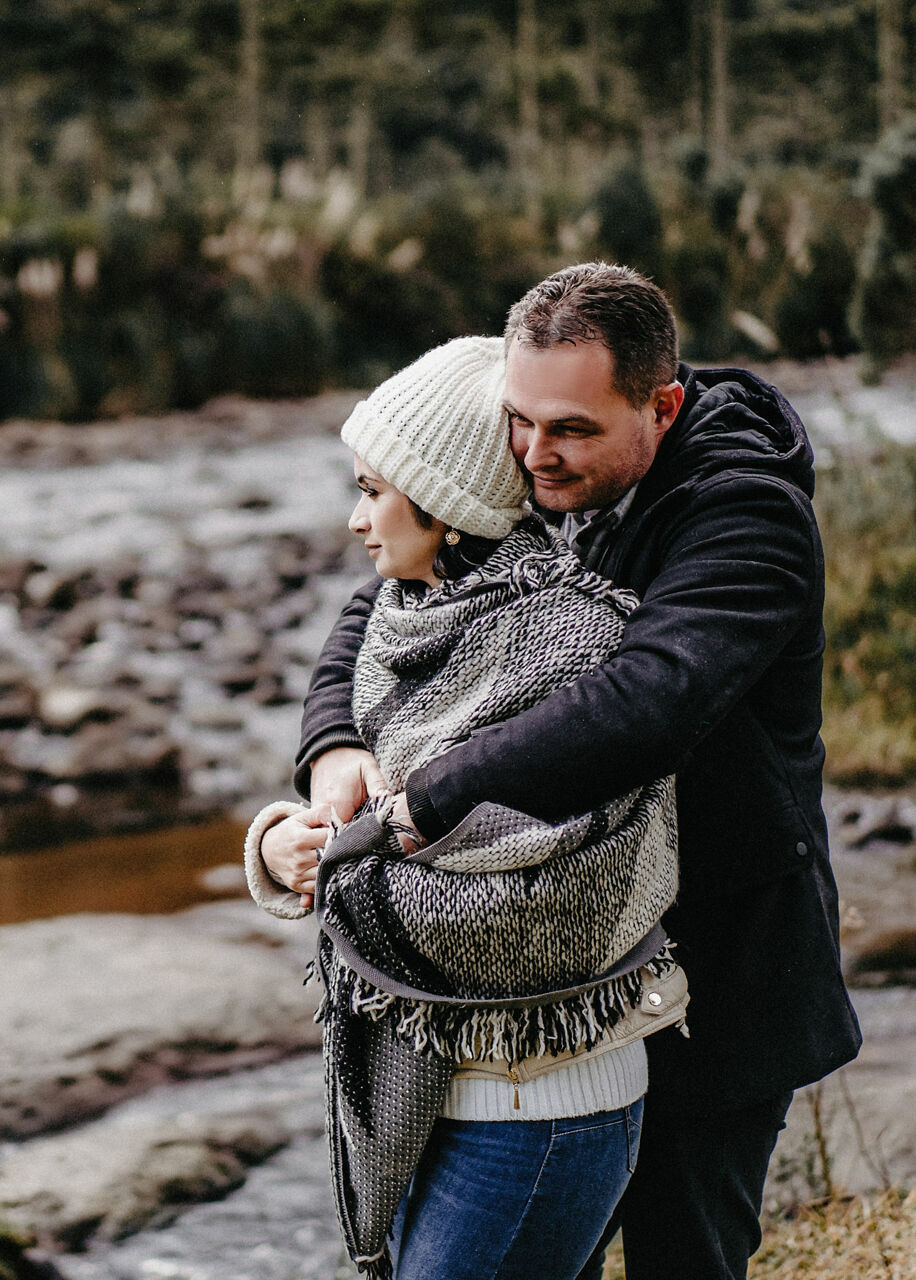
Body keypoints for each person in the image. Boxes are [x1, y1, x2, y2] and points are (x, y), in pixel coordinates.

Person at [295, 264, 862, 1280]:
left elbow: (652, 698)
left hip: (721, 967)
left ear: (662, 404)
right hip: (563, 990)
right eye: (519, 421)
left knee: (687, 1258)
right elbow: (384, 602)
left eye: (569, 430)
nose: (533, 456)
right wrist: (336, 743)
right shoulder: (549, 468)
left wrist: (432, 796)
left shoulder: (749, 517)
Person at [243, 335, 690, 1280]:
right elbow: (372, 806)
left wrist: (343, 864)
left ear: (443, 507)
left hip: (543, 1106)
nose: (356, 520)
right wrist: (288, 836)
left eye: (373, 491)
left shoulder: (570, 638)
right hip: (424, 1087)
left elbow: (541, 901)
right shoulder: (405, 612)